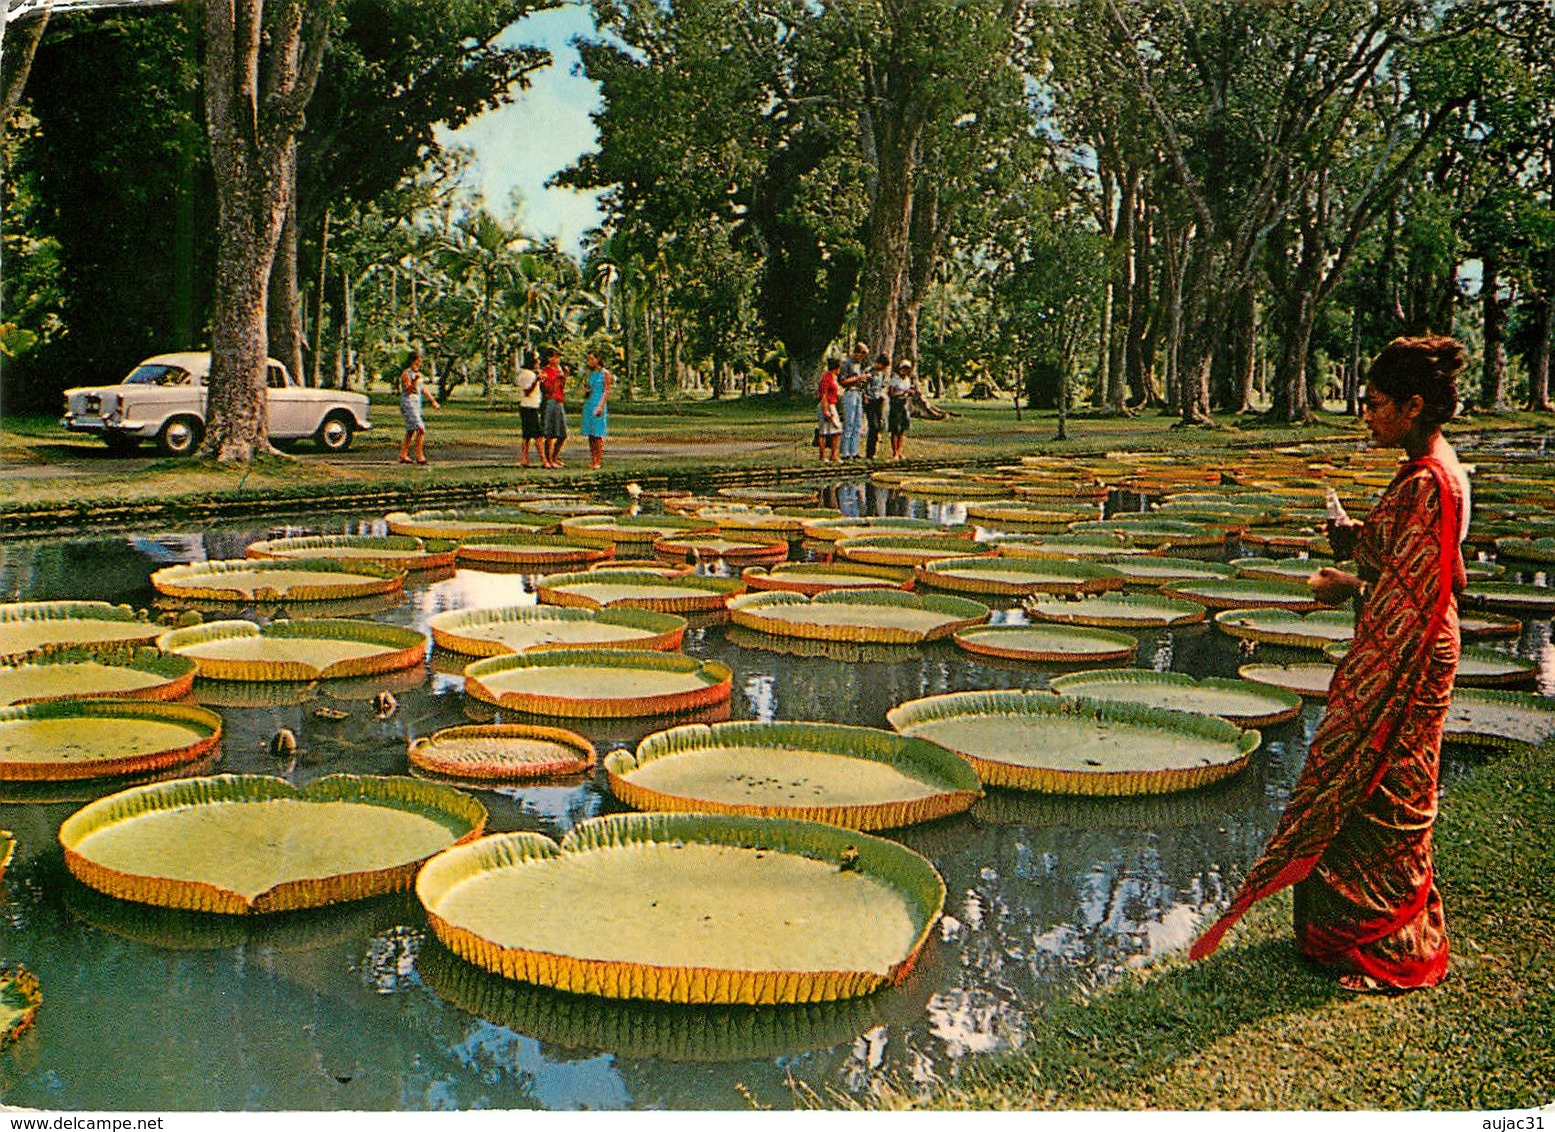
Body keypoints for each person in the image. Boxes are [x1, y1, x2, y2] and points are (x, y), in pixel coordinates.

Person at [1190, 334, 1472, 994]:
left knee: (1382, 793)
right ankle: (1350, 938)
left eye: (1373, 404)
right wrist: (1354, 541)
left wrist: (1348, 588)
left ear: (1411, 406)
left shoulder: (1431, 482)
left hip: (1413, 649)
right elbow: (1423, 565)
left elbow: (1425, 591)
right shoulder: (1428, 470)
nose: (1365, 415)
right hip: (1413, 638)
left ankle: (1389, 953)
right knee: (1369, 783)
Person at [396, 351, 438, 465]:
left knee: (411, 430)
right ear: (413, 361)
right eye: (418, 361)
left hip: (416, 404)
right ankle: (420, 456)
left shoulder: (419, 374)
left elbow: (423, 389)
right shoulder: (406, 374)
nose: (419, 363)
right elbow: (408, 390)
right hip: (408, 403)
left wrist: (433, 401)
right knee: (421, 429)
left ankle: (403, 455)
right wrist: (414, 380)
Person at [581, 350, 613, 470]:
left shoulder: (605, 373)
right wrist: (586, 390)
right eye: (588, 359)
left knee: (598, 433)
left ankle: (598, 460)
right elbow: (588, 389)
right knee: (590, 433)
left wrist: (601, 405)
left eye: (591, 359)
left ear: (597, 359)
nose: (589, 362)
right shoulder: (590, 374)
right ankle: (593, 458)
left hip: (599, 403)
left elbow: (607, 390)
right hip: (589, 403)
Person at [838, 341, 869, 460]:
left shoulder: (859, 365)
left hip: (859, 393)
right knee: (849, 422)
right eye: (861, 355)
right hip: (850, 392)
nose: (862, 358)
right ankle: (845, 452)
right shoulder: (847, 363)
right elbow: (842, 381)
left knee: (857, 423)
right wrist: (857, 378)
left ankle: (854, 451)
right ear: (856, 353)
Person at [539, 348, 567, 468]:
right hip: (549, 401)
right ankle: (549, 459)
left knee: (562, 434)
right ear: (549, 358)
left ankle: (555, 457)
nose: (557, 360)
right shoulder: (545, 371)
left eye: (558, 357)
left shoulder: (559, 370)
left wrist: (563, 377)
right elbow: (546, 389)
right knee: (549, 433)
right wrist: (556, 379)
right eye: (554, 357)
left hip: (559, 401)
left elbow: (561, 388)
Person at [516, 349, 543, 467]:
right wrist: (536, 381)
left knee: (526, 435)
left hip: (527, 406)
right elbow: (528, 391)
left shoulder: (523, 373)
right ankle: (544, 460)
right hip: (530, 406)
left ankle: (525, 459)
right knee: (538, 435)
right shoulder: (529, 375)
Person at [886, 358, 915, 460]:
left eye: (907, 369)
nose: (905, 371)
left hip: (904, 404)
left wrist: (909, 393)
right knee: (895, 428)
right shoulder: (895, 379)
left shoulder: (908, 379)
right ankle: (894, 452)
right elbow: (891, 392)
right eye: (903, 368)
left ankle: (899, 450)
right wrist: (902, 393)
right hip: (896, 403)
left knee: (902, 429)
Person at [816, 356, 842, 463]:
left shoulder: (833, 378)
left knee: (837, 430)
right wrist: (825, 410)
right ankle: (822, 455)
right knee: (824, 432)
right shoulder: (826, 378)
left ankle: (834, 455)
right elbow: (823, 395)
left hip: (832, 404)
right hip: (826, 405)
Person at [863, 351, 888, 459]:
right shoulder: (869, 371)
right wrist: (865, 396)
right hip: (869, 400)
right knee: (873, 426)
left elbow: (882, 385)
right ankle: (869, 452)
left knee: (879, 426)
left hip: (878, 400)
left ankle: (873, 451)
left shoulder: (882, 374)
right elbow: (863, 385)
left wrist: (883, 394)